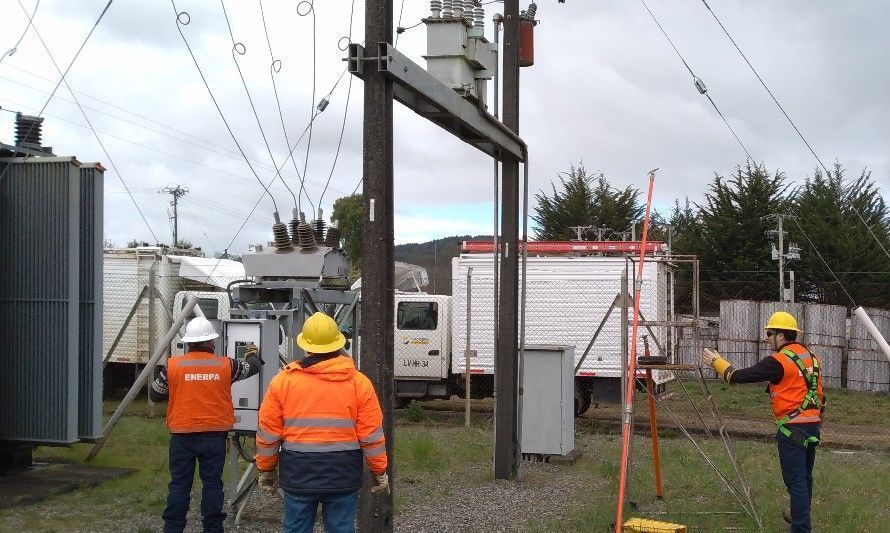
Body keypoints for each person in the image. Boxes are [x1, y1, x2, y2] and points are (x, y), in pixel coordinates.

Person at [254, 312, 389, 533]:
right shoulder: (358, 383)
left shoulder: (283, 382)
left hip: (298, 474)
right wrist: (379, 471)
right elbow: (371, 435)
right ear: (338, 343)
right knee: (342, 527)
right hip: (343, 476)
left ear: (306, 346)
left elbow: (268, 433)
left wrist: (266, 469)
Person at [702, 311, 825, 533]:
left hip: (791, 430)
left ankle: (801, 528)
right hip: (813, 425)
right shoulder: (812, 358)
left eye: (769, 333)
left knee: (795, 482)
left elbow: (737, 376)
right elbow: (820, 396)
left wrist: (716, 362)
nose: (767, 338)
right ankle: (800, 515)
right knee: (806, 477)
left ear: (780, 335)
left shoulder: (778, 362)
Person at [149, 316, 262, 533]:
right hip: (214, 436)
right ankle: (212, 528)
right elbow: (253, 367)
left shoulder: (172, 366)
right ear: (212, 342)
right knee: (212, 484)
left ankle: (173, 528)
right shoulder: (226, 365)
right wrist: (252, 354)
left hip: (182, 436)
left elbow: (155, 395)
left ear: (188, 342)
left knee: (179, 485)